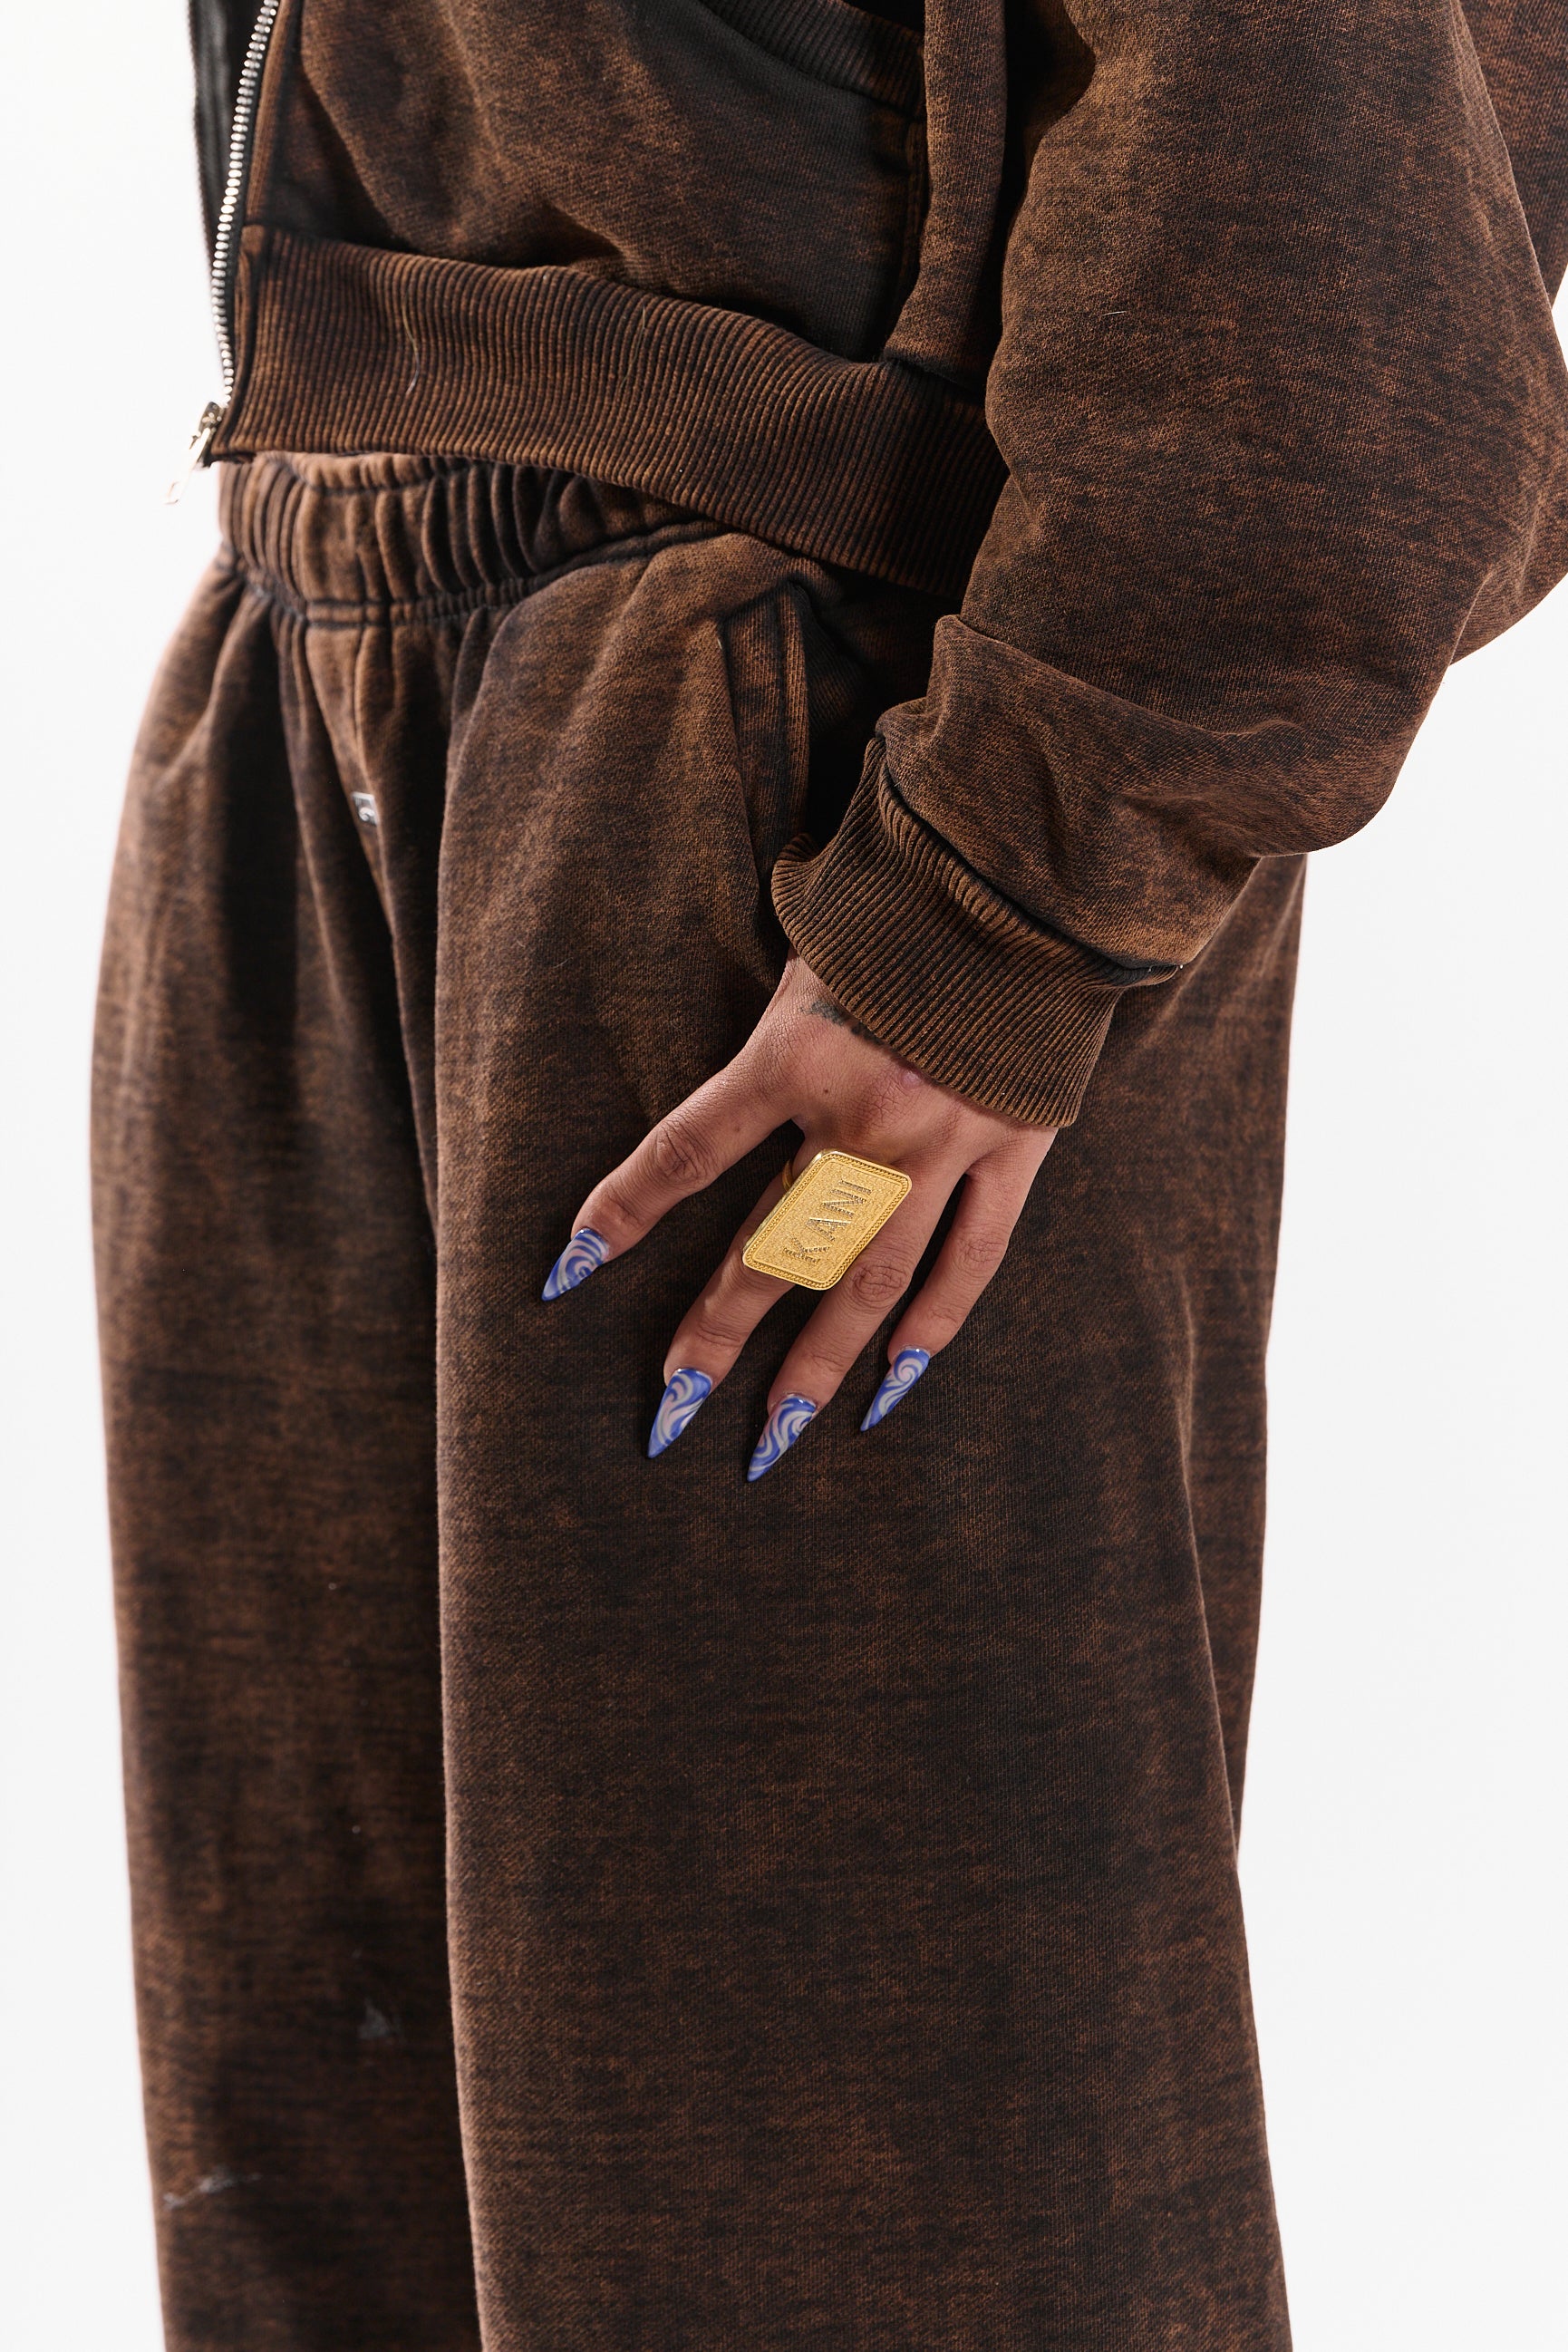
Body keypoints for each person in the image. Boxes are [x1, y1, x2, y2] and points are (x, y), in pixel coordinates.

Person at [94, 2, 1568, 2346]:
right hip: (313, 645)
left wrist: (998, 904)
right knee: (340, 2174)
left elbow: (1337, 165)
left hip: (788, 765)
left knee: (852, 2210)